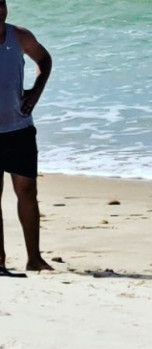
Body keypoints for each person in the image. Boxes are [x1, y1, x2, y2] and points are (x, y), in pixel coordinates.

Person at [0, 0, 53, 273]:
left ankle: (34, 258)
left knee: (28, 191)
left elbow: (44, 60)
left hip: (19, 129)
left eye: (1, 3)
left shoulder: (19, 35)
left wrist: (35, 92)